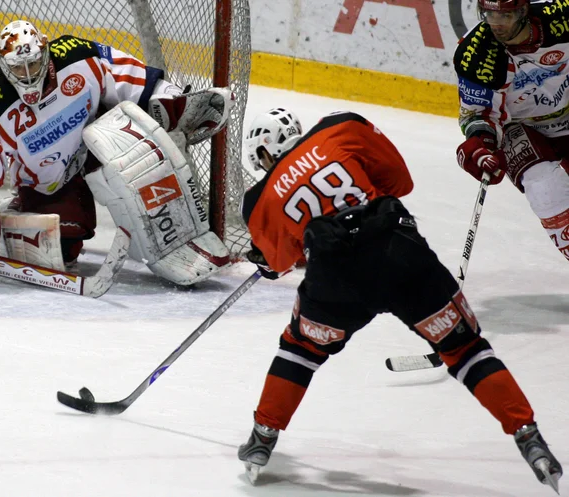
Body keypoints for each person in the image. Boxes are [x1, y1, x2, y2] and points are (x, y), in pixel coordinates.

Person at [236, 107, 563, 492]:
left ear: (263, 153)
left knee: (301, 349)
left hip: (335, 278)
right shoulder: (340, 126)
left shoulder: (258, 198)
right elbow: (399, 181)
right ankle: (530, 438)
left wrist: (276, 254)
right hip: (399, 253)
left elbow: (281, 260)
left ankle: (262, 439)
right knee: (465, 348)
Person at [0, 20, 233, 289]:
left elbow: (124, 74)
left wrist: (166, 99)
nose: (27, 75)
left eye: (34, 63)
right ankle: (11, 218)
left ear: (46, 51)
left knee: (138, 155)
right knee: (65, 246)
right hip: (50, 181)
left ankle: (179, 241)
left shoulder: (76, 54)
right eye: (17, 68)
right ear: (3, 65)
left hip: (97, 145)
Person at [454, 0, 569, 262]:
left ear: (523, 12)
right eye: (489, 15)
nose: (496, 24)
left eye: (504, 16)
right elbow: (478, 114)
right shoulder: (476, 52)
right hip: (520, 127)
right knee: (544, 189)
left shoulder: (562, 18)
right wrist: (481, 142)